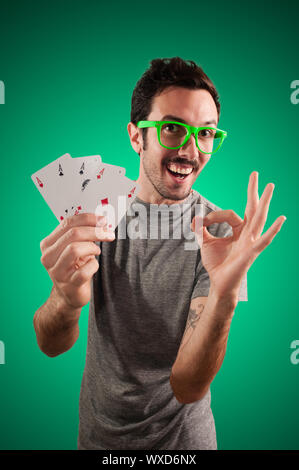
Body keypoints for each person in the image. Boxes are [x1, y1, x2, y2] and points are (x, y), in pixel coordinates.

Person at [33, 57, 286, 450]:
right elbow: (51, 345)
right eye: (172, 128)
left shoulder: (219, 234)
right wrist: (64, 299)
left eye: (205, 134)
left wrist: (225, 295)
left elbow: (187, 386)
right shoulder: (94, 213)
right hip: (97, 439)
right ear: (137, 136)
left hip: (184, 444)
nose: (190, 149)